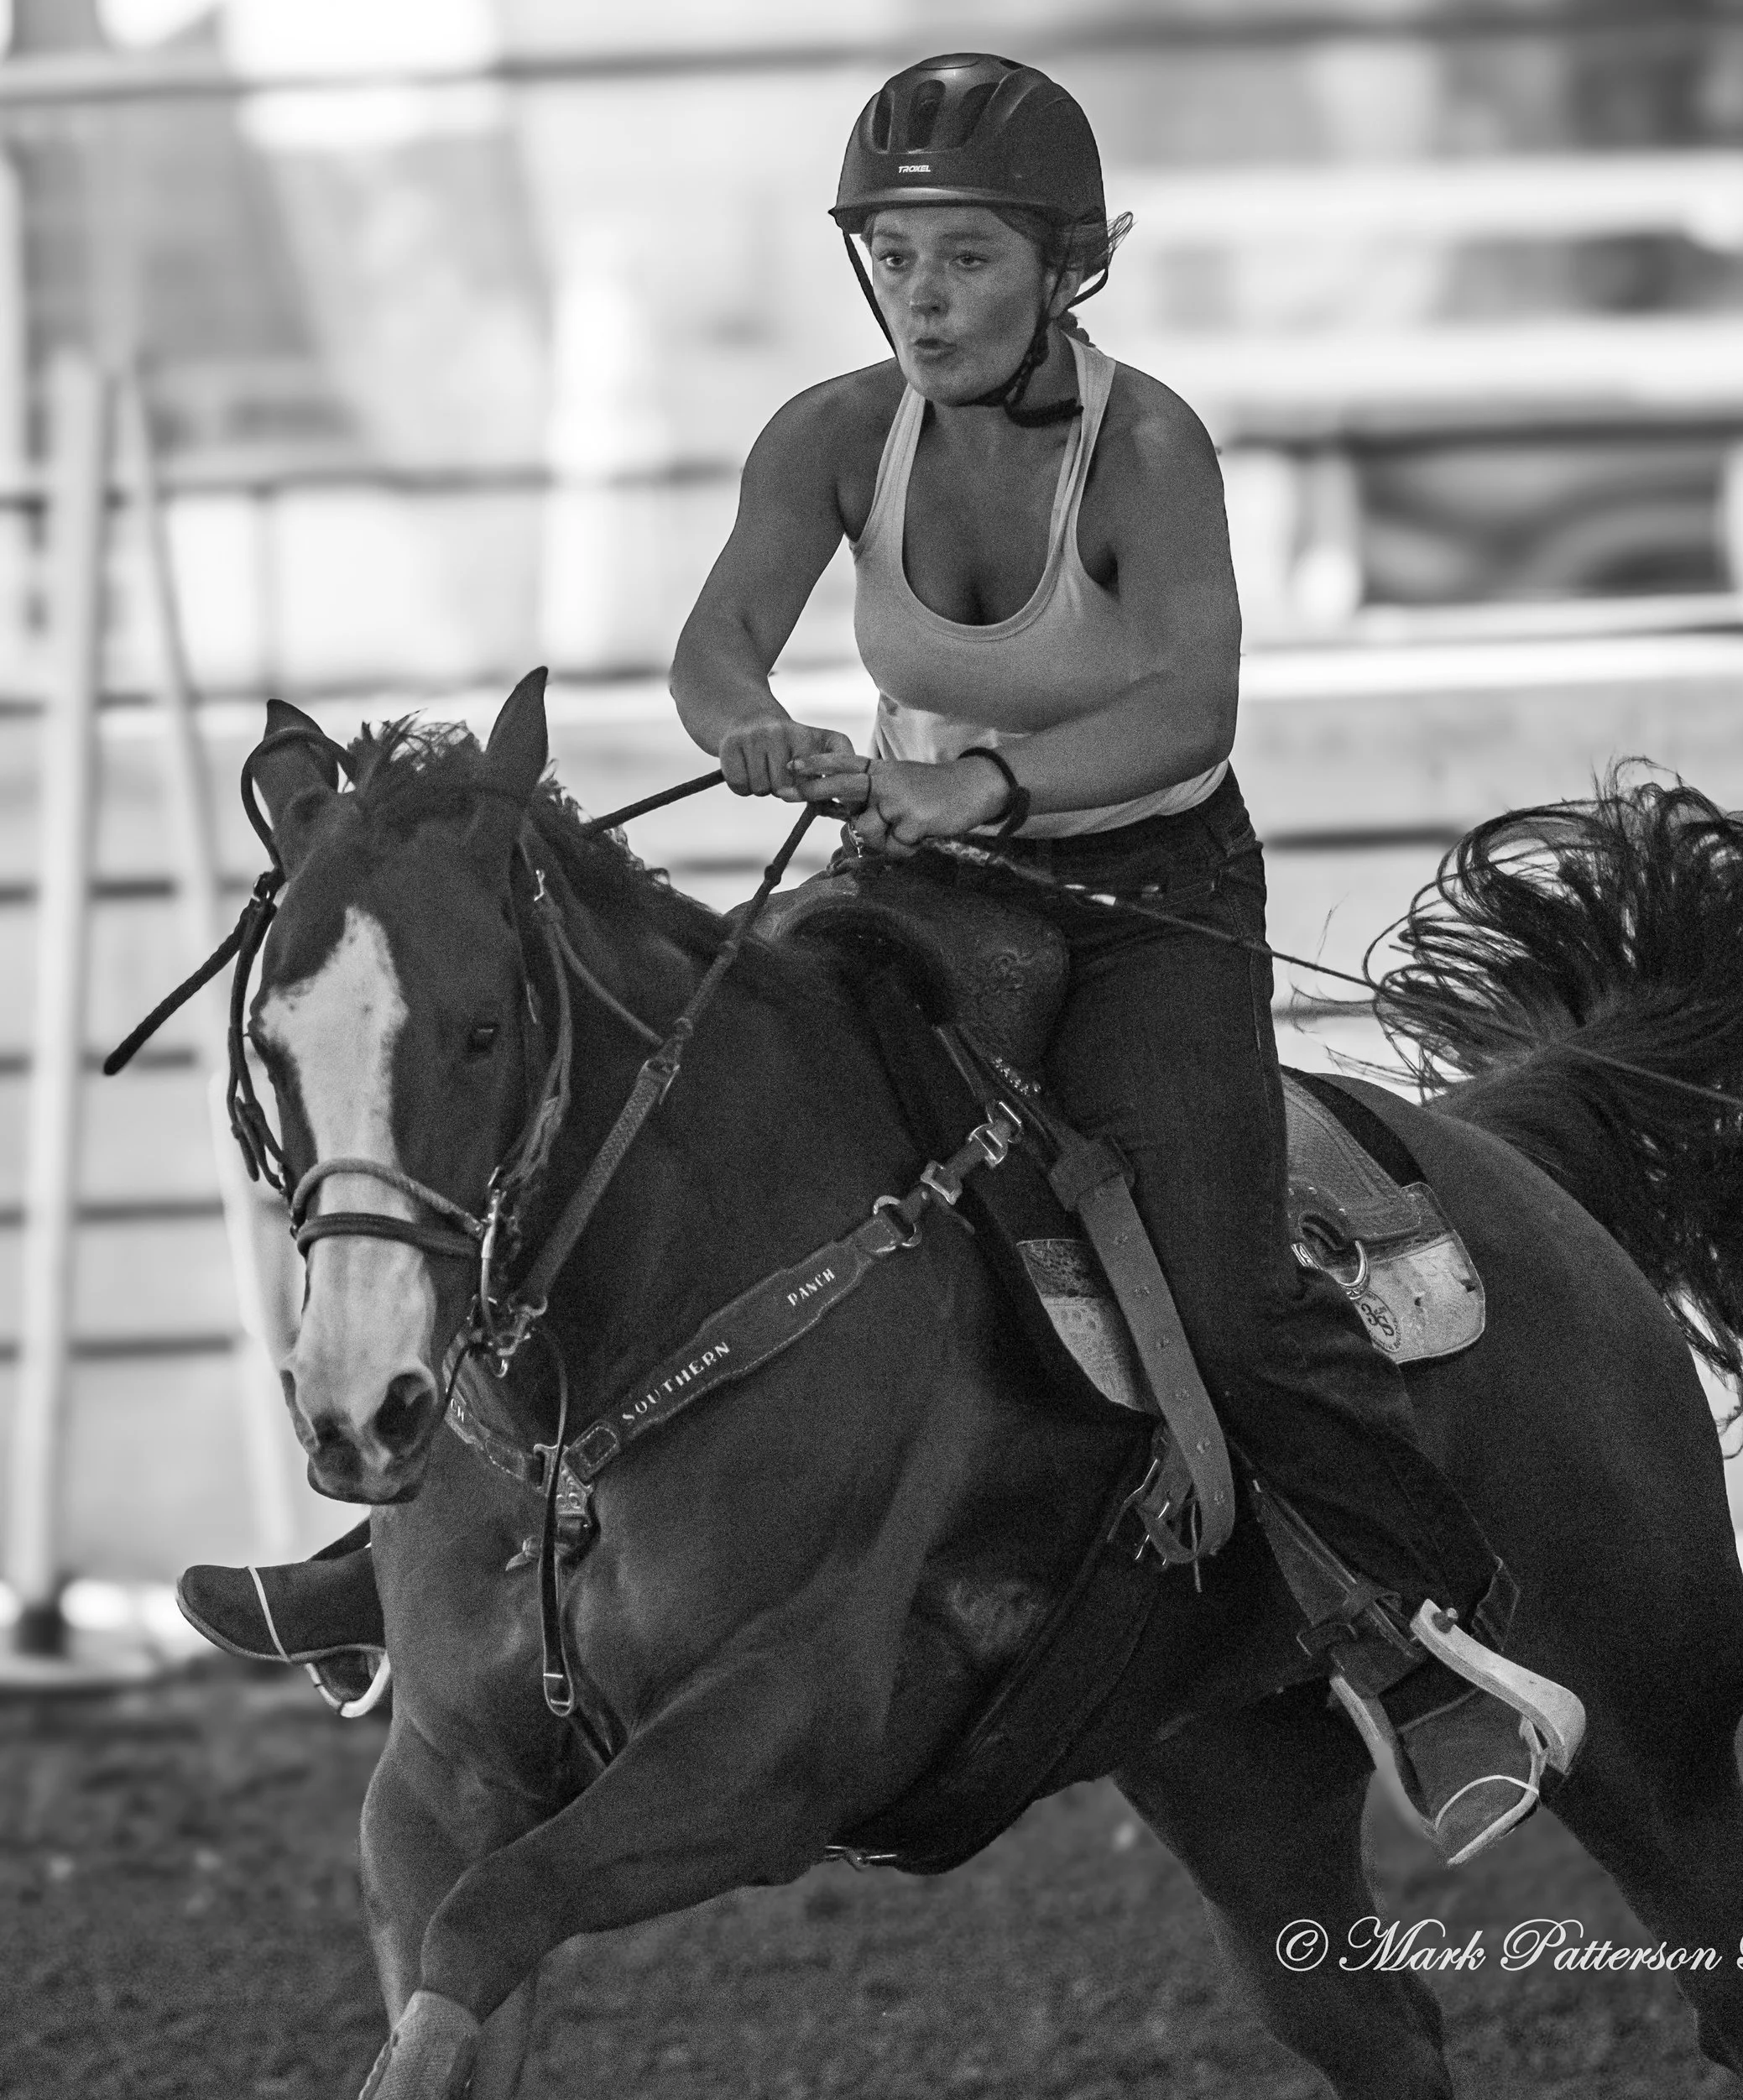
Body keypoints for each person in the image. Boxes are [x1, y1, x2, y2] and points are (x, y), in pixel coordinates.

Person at [181, 52, 1581, 1864]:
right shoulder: (831, 434)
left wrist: (977, 783)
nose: (923, 297)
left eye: (967, 258)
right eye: (895, 258)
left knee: (1222, 1287)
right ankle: (404, 1549)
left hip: (1145, 906)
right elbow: (712, 650)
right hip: (924, 884)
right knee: (656, 1110)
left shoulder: (1146, 447)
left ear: (1061, 265)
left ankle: (1423, 1634)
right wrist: (751, 725)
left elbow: (1188, 706)